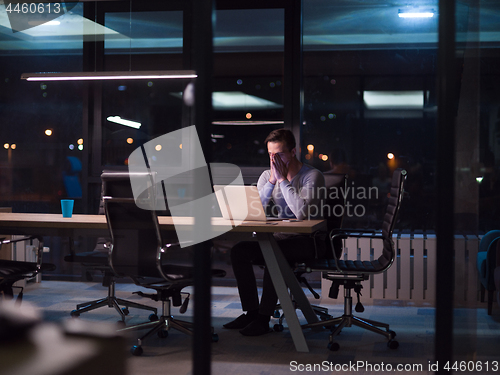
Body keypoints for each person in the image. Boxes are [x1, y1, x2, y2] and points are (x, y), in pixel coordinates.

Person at [223, 128, 326, 336]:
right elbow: (255, 210)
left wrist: (282, 181)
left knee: (274, 251)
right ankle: (252, 312)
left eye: (279, 154)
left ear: (293, 152)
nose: (274, 159)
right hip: (281, 237)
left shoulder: (312, 176)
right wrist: (271, 181)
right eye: (270, 154)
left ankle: (263, 318)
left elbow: (301, 213)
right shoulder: (266, 176)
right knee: (239, 252)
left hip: (309, 241)